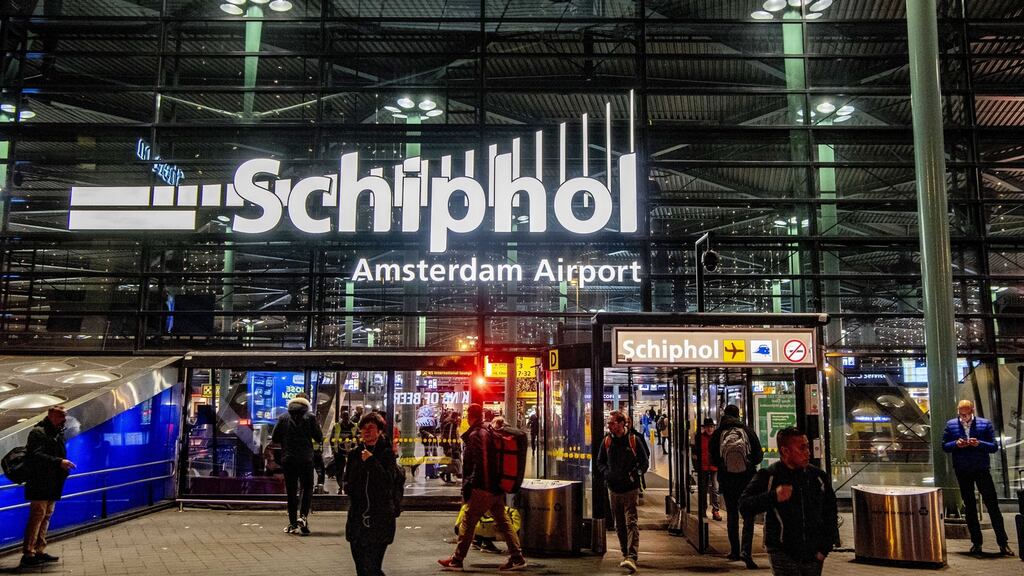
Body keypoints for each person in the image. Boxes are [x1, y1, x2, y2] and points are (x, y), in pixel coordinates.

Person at [438, 403, 527, 572]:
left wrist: (472, 487)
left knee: (468, 521)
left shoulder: (477, 434)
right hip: (495, 486)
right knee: (503, 521)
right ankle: (517, 558)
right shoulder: (488, 430)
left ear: (470, 416)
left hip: (484, 487)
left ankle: (457, 560)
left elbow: (480, 463)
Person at [740, 427, 837, 576]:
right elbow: (745, 505)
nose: (808, 452)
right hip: (782, 553)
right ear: (785, 451)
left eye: (808, 447)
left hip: (814, 555)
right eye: (802, 448)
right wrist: (774, 497)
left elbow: (830, 512)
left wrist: (824, 548)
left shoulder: (818, 477)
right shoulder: (770, 475)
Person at [942, 399, 1014, 556]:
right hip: (962, 470)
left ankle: (1003, 543)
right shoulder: (951, 424)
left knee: (993, 506)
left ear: (972, 411)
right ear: (958, 412)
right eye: (961, 415)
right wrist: (956, 443)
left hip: (981, 468)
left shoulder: (984, 424)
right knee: (970, 507)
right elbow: (944, 445)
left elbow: (994, 446)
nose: (964, 417)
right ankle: (976, 543)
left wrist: (978, 443)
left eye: (967, 414)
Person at [345, 413, 400, 576]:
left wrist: (371, 462)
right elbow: (348, 481)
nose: (366, 431)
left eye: (371, 428)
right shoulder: (355, 454)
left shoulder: (387, 454)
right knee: (361, 567)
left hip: (379, 518)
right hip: (357, 517)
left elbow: (387, 482)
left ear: (380, 431)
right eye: (363, 428)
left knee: (372, 568)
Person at [20, 405, 75, 568]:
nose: (64, 419)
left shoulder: (57, 432)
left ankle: (39, 550)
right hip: (39, 482)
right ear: (51, 415)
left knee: (46, 516)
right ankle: (28, 552)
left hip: (52, 482)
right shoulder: (38, 432)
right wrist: (59, 462)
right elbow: (35, 455)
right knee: (38, 516)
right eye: (61, 416)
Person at [709, 404, 762, 569]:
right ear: (738, 415)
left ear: (725, 415)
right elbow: (758, 455)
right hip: (747, 480)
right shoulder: (747, 430)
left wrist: (724, 466)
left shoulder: (719, 433)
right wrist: (748, 464)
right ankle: (747, 551)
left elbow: (713, 457)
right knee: (748, 516)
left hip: (727, 479)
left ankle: (734, 551)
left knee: (732, 515)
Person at [596, 410, 650, 574]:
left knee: (631, 522)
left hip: (630, 489)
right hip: (614, 488)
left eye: (612, 422)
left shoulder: (633, 440)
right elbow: (600, 462)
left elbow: (644, 462)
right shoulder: (607, 441)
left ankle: (632, 556)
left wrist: (635, 475)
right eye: (609, 422)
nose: (609, 425)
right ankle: (625, 554)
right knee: (619, 524)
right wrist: (607, 474)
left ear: (621, 424)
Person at [272, 392, 323, 535]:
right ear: (306, 403)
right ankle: (303, 517)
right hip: (306, 459)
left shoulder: (283, 418)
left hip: (288, 460)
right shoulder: (310, 417)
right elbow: (318, 437)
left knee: (291, 491)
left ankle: (293, 524)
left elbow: (275, 437)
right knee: (307, 488)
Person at [692, 417, 722, 521]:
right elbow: (695, 453)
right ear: (704, 428)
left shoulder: (717, 438)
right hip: (703, 466)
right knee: (703, 489)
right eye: (708, 427)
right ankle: (703, 509)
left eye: (711, 427)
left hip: (714, 467)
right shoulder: (699, 437)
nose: (710, 429)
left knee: (715, 489)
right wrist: (696, 466)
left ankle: (715, 510)